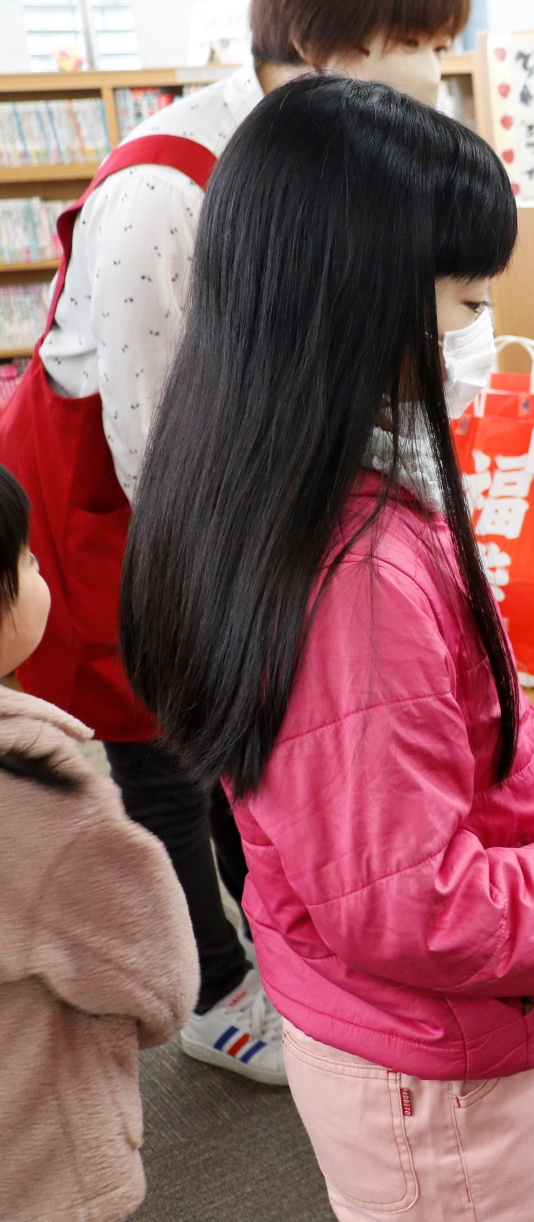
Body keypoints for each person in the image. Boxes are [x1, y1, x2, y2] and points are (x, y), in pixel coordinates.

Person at [119, 75, 534, 1222]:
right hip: (428, 1070)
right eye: (464, 300)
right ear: (360, 304)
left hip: (377, 1029)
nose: (477, 334)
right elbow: (413, 903)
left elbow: (385, 805)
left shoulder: (262, 483)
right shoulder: (361, 577)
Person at [0, 0, 476, 1086]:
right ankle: (213, 990)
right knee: (157, 747)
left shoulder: (334, 150)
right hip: (112, 509)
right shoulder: (164, 190)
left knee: (236, 736)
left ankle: (276, 940)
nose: (438, 68)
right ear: (333, 45)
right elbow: (162, 440)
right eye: (420, 40)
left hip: (232, 488)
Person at [0, 461, 198, 1222]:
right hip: (39, 1171)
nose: (37, 564)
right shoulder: (38, 799)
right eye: (23, 556)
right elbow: (158, 979)